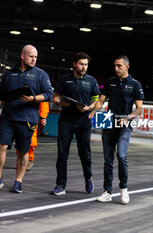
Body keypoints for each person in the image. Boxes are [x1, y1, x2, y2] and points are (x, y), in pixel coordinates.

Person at [0, 45, 53, 193]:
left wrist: (34, 98)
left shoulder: (41, 75)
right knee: (0, 146)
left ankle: (18, 181)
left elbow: (49, 94)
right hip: (8, 117)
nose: (34, 59)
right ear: (22, 56)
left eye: (35, 57)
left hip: (28, 119)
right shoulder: (9, 74)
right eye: (31, 56)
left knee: (22, 152)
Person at [90, 55, 144, 205]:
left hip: (125, 124)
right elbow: (101, 101)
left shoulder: (135, 85)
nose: (116, 69)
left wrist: (128, 117)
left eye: (119, 66)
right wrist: (94, 109)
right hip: (108, 122)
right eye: (114, 66)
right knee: (108, 160)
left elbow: (139, 109)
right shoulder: (110, 82)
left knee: (121, 156)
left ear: (127, 66)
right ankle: (107, 191)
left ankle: (123, 188)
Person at [51, 52, 100, 196]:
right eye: (81, 64)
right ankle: (60, 185)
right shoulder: (65, 80)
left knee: (85, 153)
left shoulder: (92, 81)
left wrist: (89, 108)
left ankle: (88, 178)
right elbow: (55, 98)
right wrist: (63, 103)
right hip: (66, 121)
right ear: (74, 64)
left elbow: (97, 100)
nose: (84, 67)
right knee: (62, 154)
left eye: (86, 64)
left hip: (84, 122)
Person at [27, 101, 50, 171]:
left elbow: (44, 100)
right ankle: (21, 160)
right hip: (20, 113)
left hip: (33, 115)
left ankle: (29, 160)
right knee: (20, 140)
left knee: (31, 139)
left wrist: (43, 116)